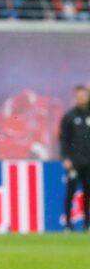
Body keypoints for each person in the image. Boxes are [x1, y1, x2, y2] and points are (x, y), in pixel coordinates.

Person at [59, 85, 90, 231]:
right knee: (70, 192)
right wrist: (66, 158)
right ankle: (68, 224)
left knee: (88, 193)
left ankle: (87, 224)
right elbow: (64, 139)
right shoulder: (69, 116)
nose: (81, 98)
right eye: (78, 95)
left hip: (89, 162)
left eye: (84, 95)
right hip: (74, 162)